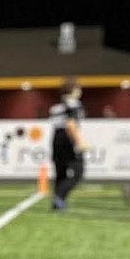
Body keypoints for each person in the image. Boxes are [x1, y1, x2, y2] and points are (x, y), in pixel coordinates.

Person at [48, 79, 87, 211]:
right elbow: (70, 124)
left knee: (60, 172)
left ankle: (57, 203)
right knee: (78, 172)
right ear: (74, 90)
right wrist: (79, 142)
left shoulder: (56, 106)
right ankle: (59, 197)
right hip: (68, 139)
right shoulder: (74, 104)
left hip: (56, 138)